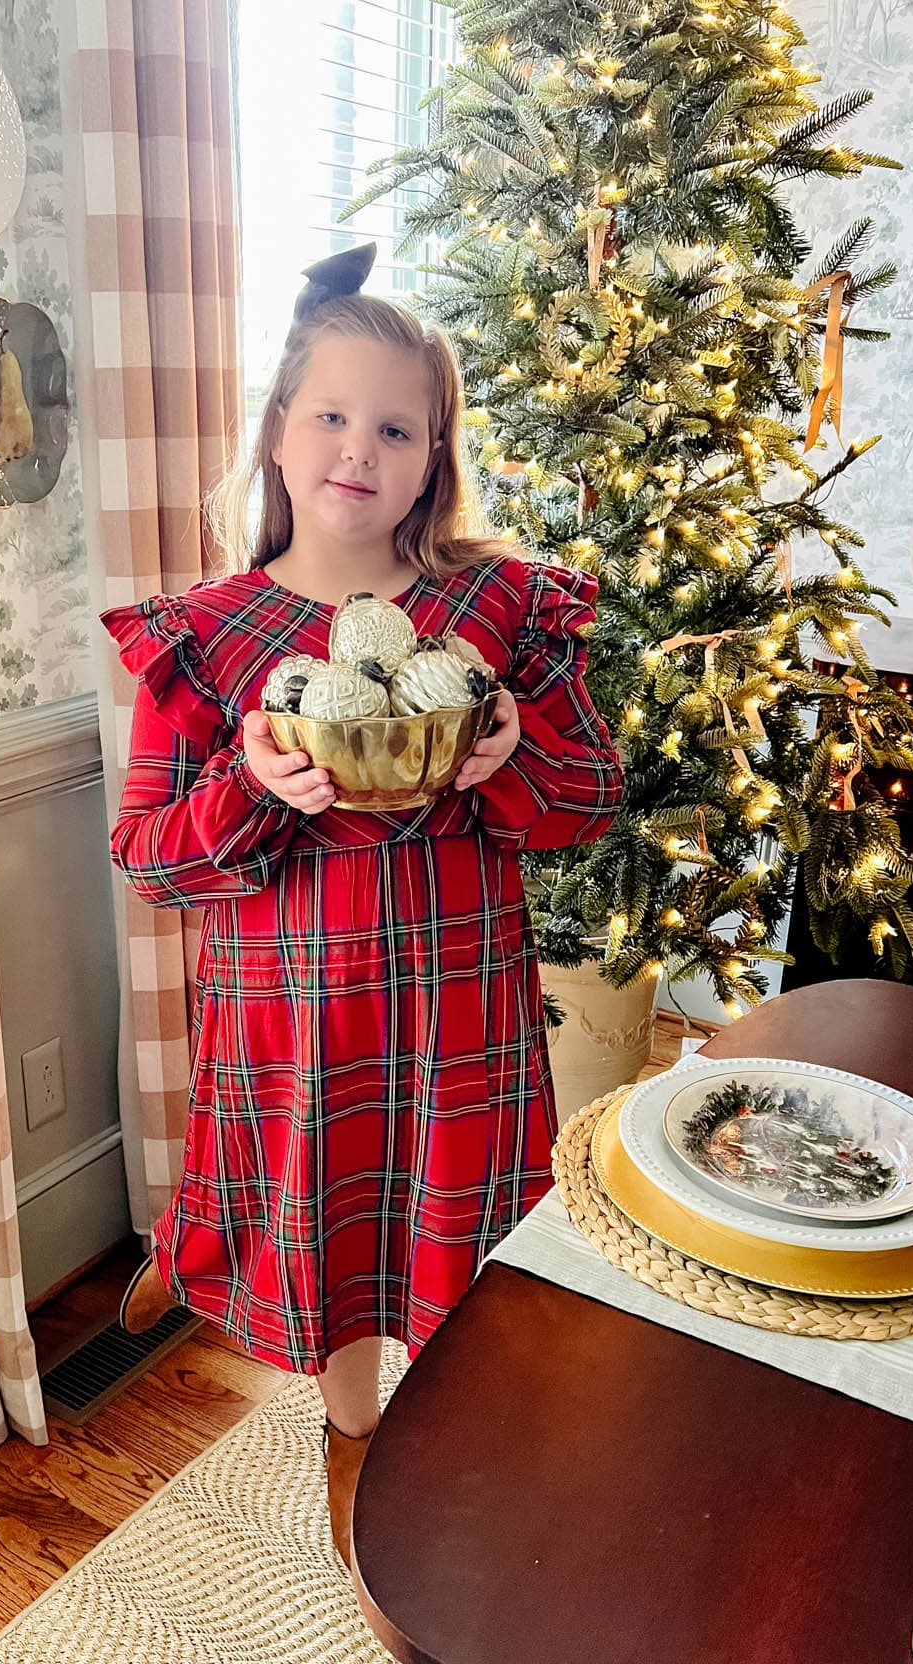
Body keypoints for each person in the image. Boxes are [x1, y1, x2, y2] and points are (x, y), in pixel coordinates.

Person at [101, 241, 622, 1572]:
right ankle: (350, 1429)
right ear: (278, 433)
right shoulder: (205, 637)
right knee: (329, 1232)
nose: (358, 447)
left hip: (462, 1019)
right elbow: (153, 855)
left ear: (435, 456)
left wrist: (516, 761)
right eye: (330, 413)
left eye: (397, 426)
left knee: (454, 1232)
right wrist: (250, 787)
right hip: (295, 1025)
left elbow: (587, 800)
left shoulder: (497, 604)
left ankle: (453, 1426)